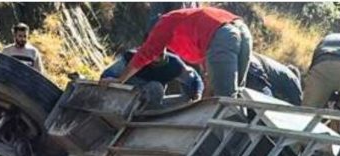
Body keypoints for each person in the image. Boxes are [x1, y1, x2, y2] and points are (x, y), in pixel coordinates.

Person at [108, 6, 252, 97]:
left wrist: (120, 80)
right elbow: (207, 67)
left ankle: (221, 143)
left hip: (222, 35)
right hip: (241, 30)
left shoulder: (164, 23)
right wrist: (205, 91)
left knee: (226, 99)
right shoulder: (186, 25)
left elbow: (146, 53)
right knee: (237, 94)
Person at [101, 49, 204, 102]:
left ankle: (151, 112)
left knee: (156, 87)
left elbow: (195, 80)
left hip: (152, 98)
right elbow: (106, 77)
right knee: (155, 87)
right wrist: (111, 81)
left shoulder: (174, 65)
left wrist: (197, 94)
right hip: (127, 94)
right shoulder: (131, 57)